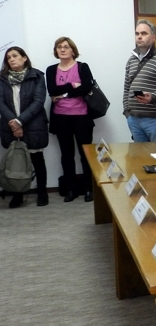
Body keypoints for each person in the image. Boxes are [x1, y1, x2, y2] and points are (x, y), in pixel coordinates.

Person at [46, 37, 95, 202]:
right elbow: (52, 90)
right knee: (66, 155)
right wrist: (73, 85)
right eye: (59, 47)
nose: (62, 49)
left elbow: (87, 87)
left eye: (66, 47)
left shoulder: (82, 67)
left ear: (73, 50)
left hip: (82, 117)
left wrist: (64, 94)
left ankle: (89, 189)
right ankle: (71, 189)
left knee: (85, 154)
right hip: (61, 118)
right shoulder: (51, 70)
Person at [0, 47, 49, 207]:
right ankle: (18, 194)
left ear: (24, 58)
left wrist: (20, 121)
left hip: (33, 124)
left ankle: (42, 192)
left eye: (15, 56)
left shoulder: (37, 76)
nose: (11, 59)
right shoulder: (2, 78)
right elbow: (1, 102)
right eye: (8, 58)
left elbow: (38, 101)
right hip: (10, 125)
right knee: (17, 161)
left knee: (37, 159)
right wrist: (14, 123)